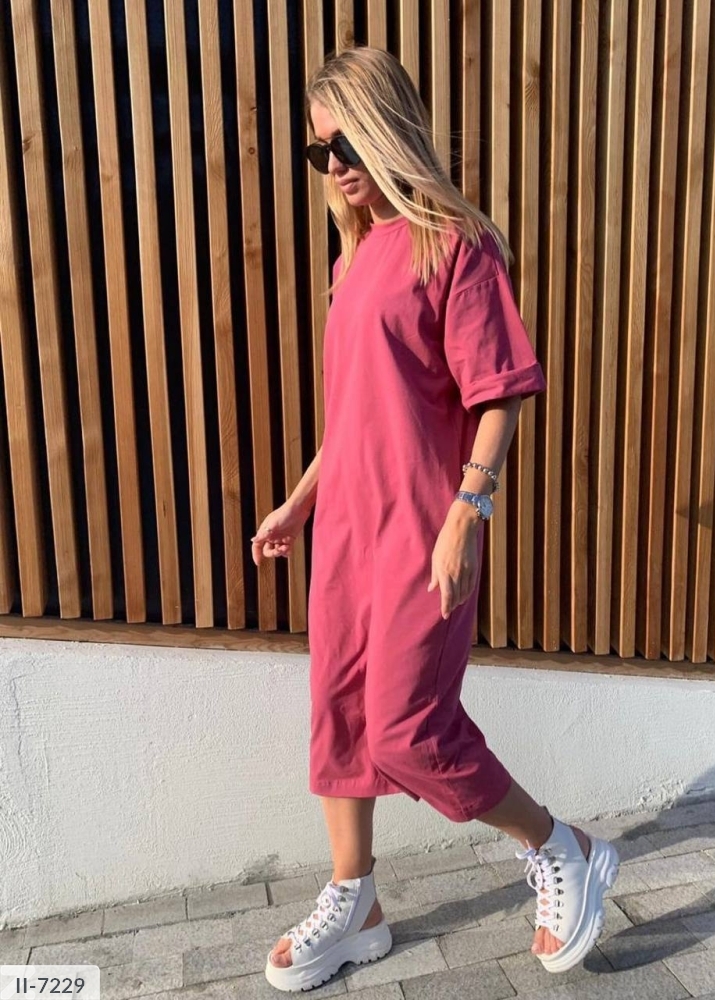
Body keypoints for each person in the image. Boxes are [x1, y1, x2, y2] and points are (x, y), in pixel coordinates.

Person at [252, 45, 620, 994]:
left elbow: (500, 390)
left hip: (423, 529)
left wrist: (469, 508)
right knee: (339, 717)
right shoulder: (353, 260)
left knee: (407, 729)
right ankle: (357, 903)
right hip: (346, 534)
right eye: (320, 152)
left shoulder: (454, 244)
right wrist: (299, 502)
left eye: (347, 145)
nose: (335, 167)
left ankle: (560, 846)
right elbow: (354, 418)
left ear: (388, 132)